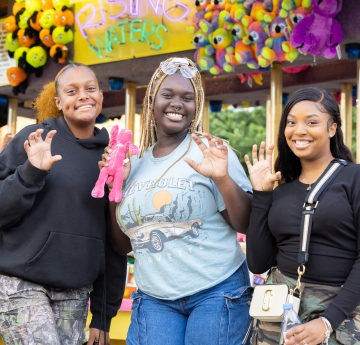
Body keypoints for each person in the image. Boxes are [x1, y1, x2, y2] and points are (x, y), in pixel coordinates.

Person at [101, 57, 253, 345]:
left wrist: (221, 178)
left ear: (196, 107)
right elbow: (123, 245)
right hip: (155, 299)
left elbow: (246, 222)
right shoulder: (134, 164)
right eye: (167, 95)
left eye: (187, 98)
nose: (177, 103)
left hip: (216, 291)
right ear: (151, 101)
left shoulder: (211, 151)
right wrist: (115, 187)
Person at [0, 62, 127, 345]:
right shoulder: (34, 140)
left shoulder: (111, 159)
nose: (83, 96)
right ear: (58, 102)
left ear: (101, 96)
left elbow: (112, 244)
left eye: (90, 88)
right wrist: (30, 173)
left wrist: (104, 314)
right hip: (22, 282)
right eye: (72, 91)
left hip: (76, 290)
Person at [245, 86, 360, 345]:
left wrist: (328, 321)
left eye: (312, 122)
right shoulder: (281, 191)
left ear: (332, 129)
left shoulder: (354, 178)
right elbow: (258, 263)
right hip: (281, 310)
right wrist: (262, 194)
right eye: (291, 122)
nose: (299, 131)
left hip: (342, 309)